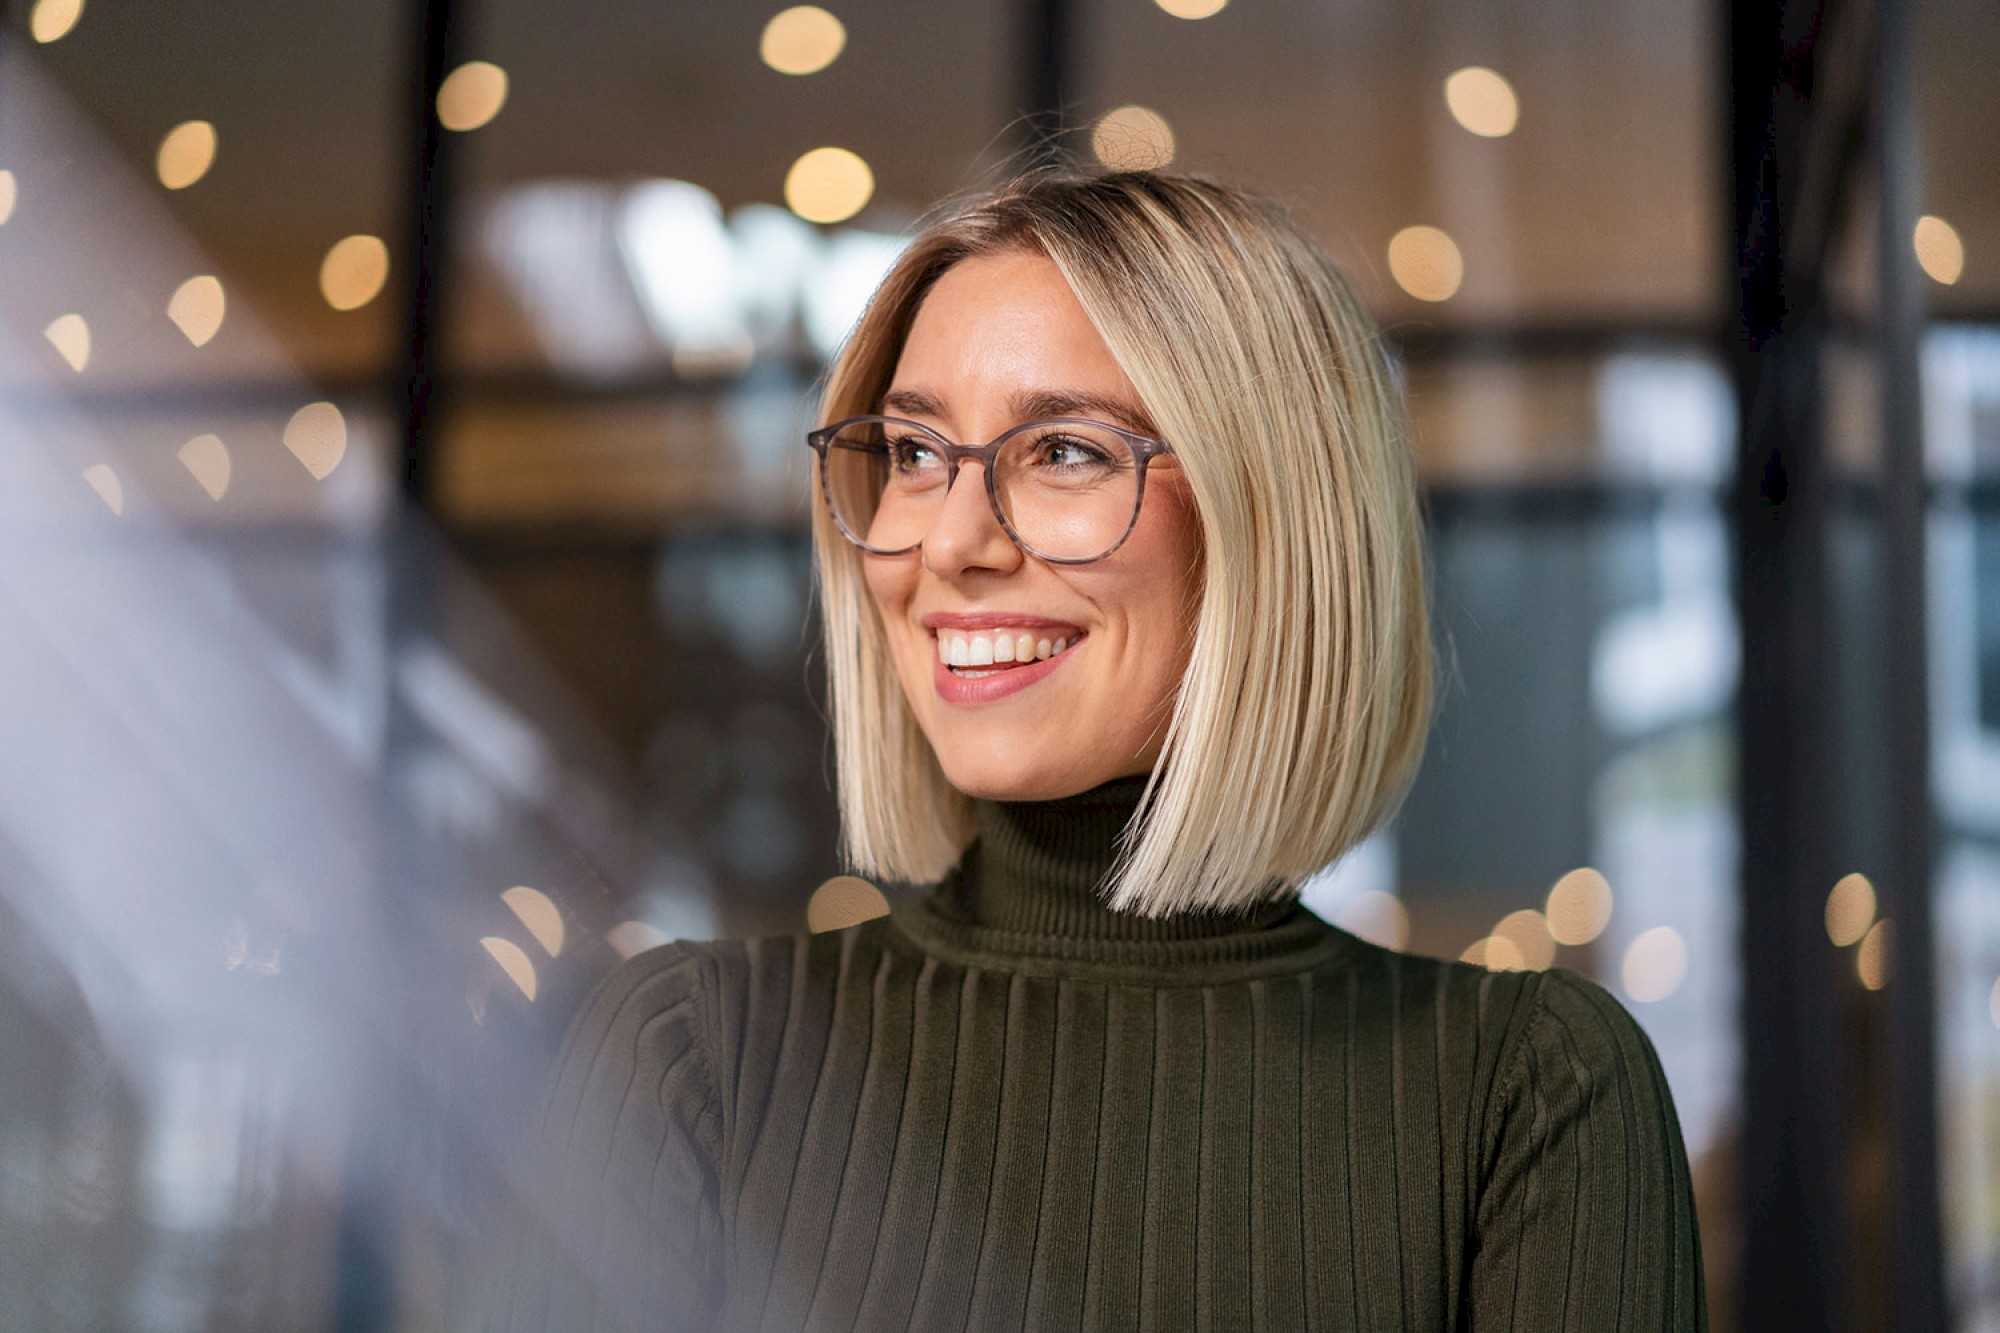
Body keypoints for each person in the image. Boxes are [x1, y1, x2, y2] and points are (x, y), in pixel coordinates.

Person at [483, 169, 1707, 1331]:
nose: (949, 540)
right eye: (912, 453)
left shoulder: (1526, 1097)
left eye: (1062, 450)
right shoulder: (693, 1052)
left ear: (1269, 520)